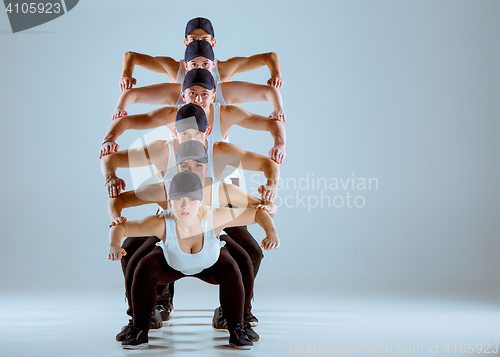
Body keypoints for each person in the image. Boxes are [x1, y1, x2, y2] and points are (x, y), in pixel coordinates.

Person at [109, 140, 278, 333]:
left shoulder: (219, 190)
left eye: (198, 165)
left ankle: (238, 316)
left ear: (207, 167)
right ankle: (146, 313)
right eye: (184, 165)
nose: (192, 169)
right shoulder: (165, 188)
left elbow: (260, 207)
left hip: (210, 229)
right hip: (169, 228)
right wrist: (116, 219)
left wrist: (270, 210)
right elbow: (119, 200)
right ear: (177, 166)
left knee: (247, 255)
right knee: (132, 254)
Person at [100, 69, 287, 165]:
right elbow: (126, 121)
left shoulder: (226, 114)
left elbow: (271, 124)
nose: (198, 99)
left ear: (213, 96)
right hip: (184, 193)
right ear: (183, 95)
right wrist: (109, 140)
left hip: (221, 190)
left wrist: (279, 144)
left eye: (204, 94)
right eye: (192, 94)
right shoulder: (171, 115)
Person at [112, 40, 285, 122]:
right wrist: (120, 108)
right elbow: (133, 95)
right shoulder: (175, 91)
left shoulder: (225, 90)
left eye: (204, 94)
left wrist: (277, 109)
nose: (199, 68)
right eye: (194, 64)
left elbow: (268, 91)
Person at [119, 17, 283, 92]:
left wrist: (276, 75)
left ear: (213, 43)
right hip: (180, 135)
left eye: (204, 39)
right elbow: (130, 56)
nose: (199, 42)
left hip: (214, 137)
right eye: (193, 39)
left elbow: (270, 57)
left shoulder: (224, 69)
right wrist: (126, 75)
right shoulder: (174, 68)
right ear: (186, 43)